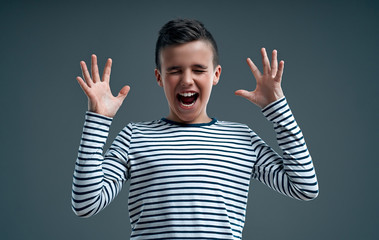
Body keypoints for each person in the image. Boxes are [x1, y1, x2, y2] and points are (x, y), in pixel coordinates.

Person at [72, 19, 319, 239]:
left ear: (216, 75)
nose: (187, 80)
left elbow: (304, 187)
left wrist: (277, 108)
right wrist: (98, 119)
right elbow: (86, 204)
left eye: (198, 69)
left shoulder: (242, 139)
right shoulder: (134, 137)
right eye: (175, 70)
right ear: (159, 77)